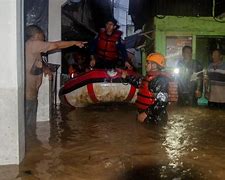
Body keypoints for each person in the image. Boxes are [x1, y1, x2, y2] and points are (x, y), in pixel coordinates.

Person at [25, 25, 86, 142]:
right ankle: (30, 147)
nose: (44, 39)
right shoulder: (32, 44)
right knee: (28, 129)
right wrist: (74, 42)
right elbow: (56, 45)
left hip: (32, 96)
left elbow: (38, 61)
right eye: (42, 37)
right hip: (27, 98)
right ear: (36, 35)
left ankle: (32, 148)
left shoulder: (33, 48)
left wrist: (45, 68)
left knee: (31, 129)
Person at [122, 53, 176, 124]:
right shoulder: (148, 77)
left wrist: (146, 113)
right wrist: (126, 77)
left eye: (148, 63)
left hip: (155, 117)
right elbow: (138, 82)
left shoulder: (160, 80)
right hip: (146, 115)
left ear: (154, 65)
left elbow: (161, 102)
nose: (145, 64)